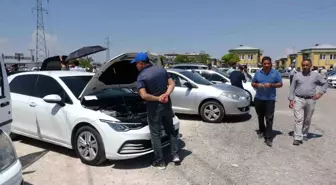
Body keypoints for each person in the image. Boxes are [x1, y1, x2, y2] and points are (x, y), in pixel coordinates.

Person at [132, 52, 180, 170]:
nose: (135, 66)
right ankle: (175, 155)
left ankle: (160, 161)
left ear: (141, 63)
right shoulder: (161, 70)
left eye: (136, 64)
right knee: (171, 130)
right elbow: (172, 84)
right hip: (167, 105)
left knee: (156, 134)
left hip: (154, 108)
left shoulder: (142, 76)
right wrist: (166, 94)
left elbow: (143, 95)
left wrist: (158, 98)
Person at [288, 59, 328, 146]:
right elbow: (292, 88)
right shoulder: (297, 75)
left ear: (310, 66)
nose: (305, 67)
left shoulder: (316, 75)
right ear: (301, 66)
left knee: (307, 119)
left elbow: (325, 83)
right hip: (299, 99)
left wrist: (320, 93)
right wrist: (291, 99)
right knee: (298, 119)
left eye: (307, 65)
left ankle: (304, 133)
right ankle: (298, 137)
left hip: (311, 100)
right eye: (303, 65)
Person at [251, 56, 283, 147]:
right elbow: (253, 83)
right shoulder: (258, 73)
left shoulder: (275, 73)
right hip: (259, 98)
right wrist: (258, 84)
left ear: (271, 63)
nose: (266, 65)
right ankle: (261, 131)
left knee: (269, 118)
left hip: (270, 99)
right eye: (265, 63)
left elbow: (280, 84)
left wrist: (271, 85)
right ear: (262, 64)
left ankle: (268, 137)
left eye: (268, 63)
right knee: (260, 116)